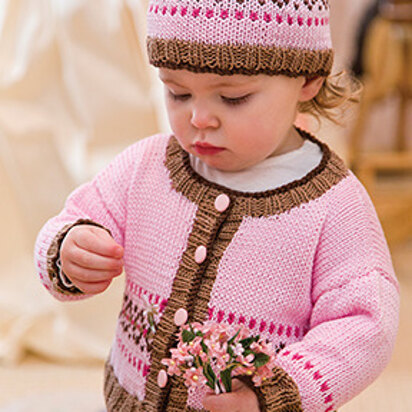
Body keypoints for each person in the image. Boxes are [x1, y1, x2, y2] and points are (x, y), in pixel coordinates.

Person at [34, 0, 400, 411]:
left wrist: (277, 392)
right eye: (178, 92)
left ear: (308, 80)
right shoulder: (146, 167)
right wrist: (68, 249)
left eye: (234, 97)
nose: (200, 117)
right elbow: (77, 217)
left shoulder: (335, 205)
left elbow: (364, 326)